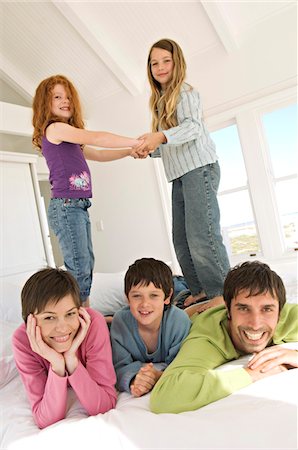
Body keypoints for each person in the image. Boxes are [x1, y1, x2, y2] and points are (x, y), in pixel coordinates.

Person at [135, 39, 230, 313]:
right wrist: (148, 149)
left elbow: (192, 129)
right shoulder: (159, 101)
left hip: (199, 168)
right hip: (179, 173)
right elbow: (169, 145)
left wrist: (159, 137)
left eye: (166, 60)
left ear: (177, 63)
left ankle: (222, 292)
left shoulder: (186, 93)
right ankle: (200, 290)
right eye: (154, 63)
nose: (160, 67)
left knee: (202, 234)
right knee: (181, 238)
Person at [32, 74, 142, 306]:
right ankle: (81, 315)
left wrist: (128, 152)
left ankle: (84, 312)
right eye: (58, 97)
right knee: (79, 267)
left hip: (78, 205)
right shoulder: (55, 129)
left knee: (85, 264)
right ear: (45, 103)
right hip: (66, 205)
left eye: (69, 97)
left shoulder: (69, 139)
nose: (66, 101)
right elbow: (97, 138)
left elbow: (99, 155)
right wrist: (134, 142)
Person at [150, 261, 298, 413]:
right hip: (184, 305)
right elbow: (164, 396)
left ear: (280, 311)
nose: (255, 324)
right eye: (243, 308)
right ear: (228, 310)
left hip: (210, 302)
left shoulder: (286, 315)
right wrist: (251, 374)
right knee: (175, 287)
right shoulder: (207, 338)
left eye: (267, 309)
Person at [12, 267, 117, 429]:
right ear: (30, 321)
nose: (62, 328)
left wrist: (71, 360)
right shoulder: (22, 341)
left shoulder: (93, 323)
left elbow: (104, 405)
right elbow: (45, 419)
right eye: (49, 317)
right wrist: (57, 364)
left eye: (70, 314)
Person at [110, 258, 191, 397]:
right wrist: (135, 380)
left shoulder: (178, 321)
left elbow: (182, 365)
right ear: (127, 298)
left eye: (153, 295)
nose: (145, 304)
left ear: (167, 296)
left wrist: (158, 376)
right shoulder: (120, 322)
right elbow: (119, 367)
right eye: (136, 296)